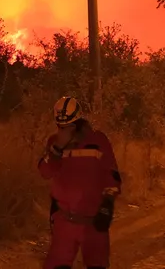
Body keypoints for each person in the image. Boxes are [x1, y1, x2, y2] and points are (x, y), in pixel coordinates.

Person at [39, 96, 121, 269]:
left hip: (94, 223)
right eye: (60, 127)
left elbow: (112, 175)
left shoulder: (98, 141)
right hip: (65, 222)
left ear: (77, 123)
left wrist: (107, 204)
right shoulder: (54, 143)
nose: (63, 131)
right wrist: (56, 150)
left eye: (67, 127)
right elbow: (45, 172)